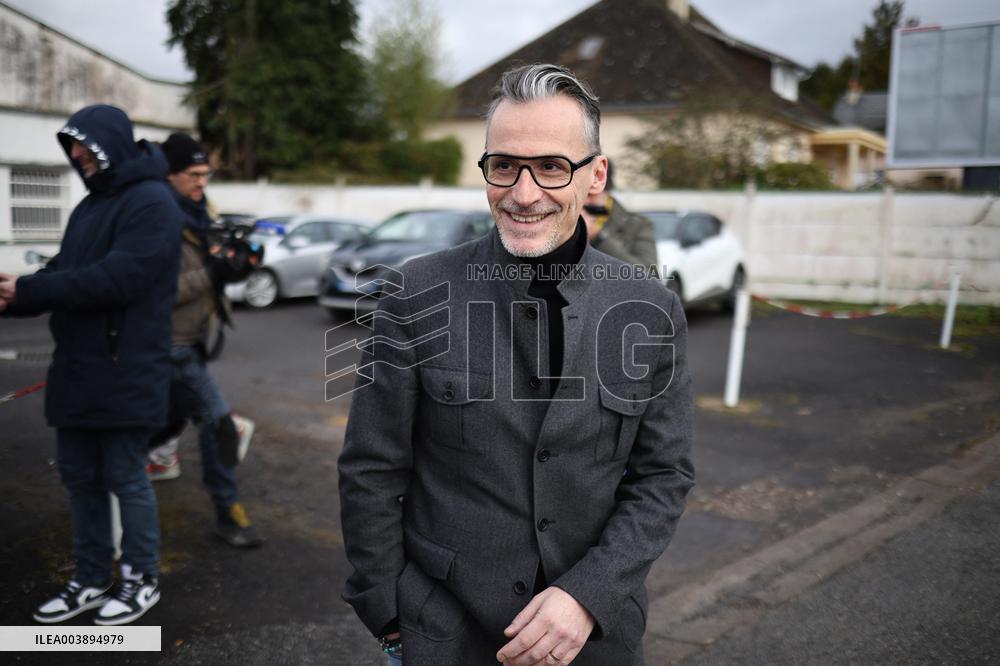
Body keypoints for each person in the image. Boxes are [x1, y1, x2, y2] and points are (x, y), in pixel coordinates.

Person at [338, 64, 694, 665]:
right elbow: (371, 466)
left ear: (596, 175)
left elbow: (663, 476)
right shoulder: (414, 293)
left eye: (552, 166)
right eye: (504, 165)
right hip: (444, 638)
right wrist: (389, 613)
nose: (523, 194)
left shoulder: (650, 308)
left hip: (596, 641)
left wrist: (588, 595)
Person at [0, 105, 182, 625]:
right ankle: (92, 576)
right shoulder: (89, 207)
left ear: (110, 142)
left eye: (83, 143)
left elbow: (118, 279)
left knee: (126, 476)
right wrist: (14, 295)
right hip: (77, 368)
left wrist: (31, 290)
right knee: (80, 477)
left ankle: (141, 579)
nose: (76, 154)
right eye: (71, 146)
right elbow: (65, 272)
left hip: (127, 369)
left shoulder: (153, 202)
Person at [147, 132, 263, 548]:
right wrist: (212, 273)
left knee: (163, 422)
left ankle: (109, 466)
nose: (202, 182)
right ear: (169, 173)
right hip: (170, 344)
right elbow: (156, 288)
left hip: (189, 341)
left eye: (206, 174)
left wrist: (236, 266)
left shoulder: (197, 212)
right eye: (193, 174)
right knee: (218, 424)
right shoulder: (156, 217)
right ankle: (228, 513)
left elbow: (208, 268)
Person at [581, 159, 658, 268]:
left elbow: (649, 273)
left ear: (605, 189)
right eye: (580, 195)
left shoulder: (637, 225)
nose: (584, 202)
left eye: (590, 195)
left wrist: (597, 237)